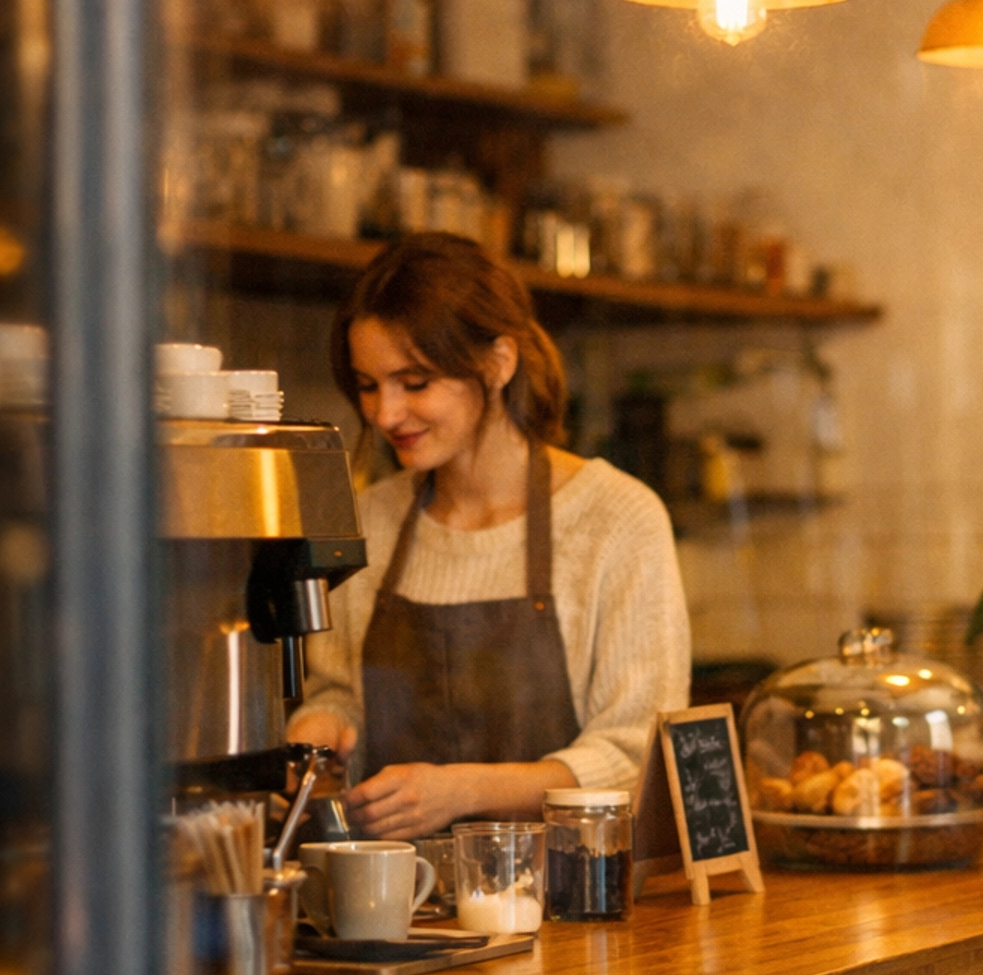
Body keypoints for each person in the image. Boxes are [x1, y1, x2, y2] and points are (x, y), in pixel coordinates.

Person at [287, 231, 691, 840]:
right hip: (400, 909)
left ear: (498, 363)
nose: (385, 414)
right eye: (368, 386)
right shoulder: (366, 523)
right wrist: (321, 731)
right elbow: (339, 694)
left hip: (571, 905)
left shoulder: (617, 520)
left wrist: (463, 792)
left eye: (415, 382)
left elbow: (634, 757)